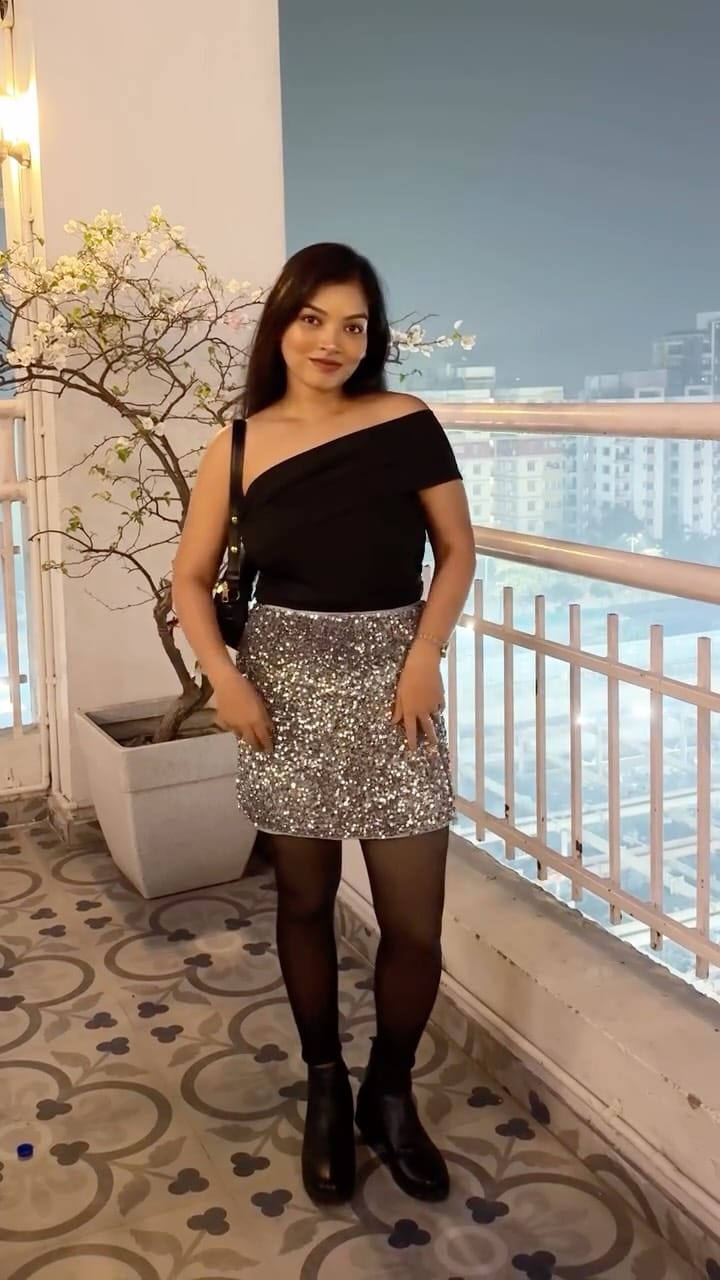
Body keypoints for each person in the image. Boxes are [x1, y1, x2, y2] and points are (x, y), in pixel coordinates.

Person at [172, 243, 476, 1207]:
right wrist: (223, 677)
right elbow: (191, 577)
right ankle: (326, 1087)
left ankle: (390, 1091)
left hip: (396, 688)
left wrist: (423, 655)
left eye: (353, 325)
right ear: (281, 324)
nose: (331, 341)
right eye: (312, 319)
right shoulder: (236, 445)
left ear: (371, 338)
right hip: (283, 689)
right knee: (302, 902)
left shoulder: (406, 422)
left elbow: (457, 551)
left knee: (414, 924)